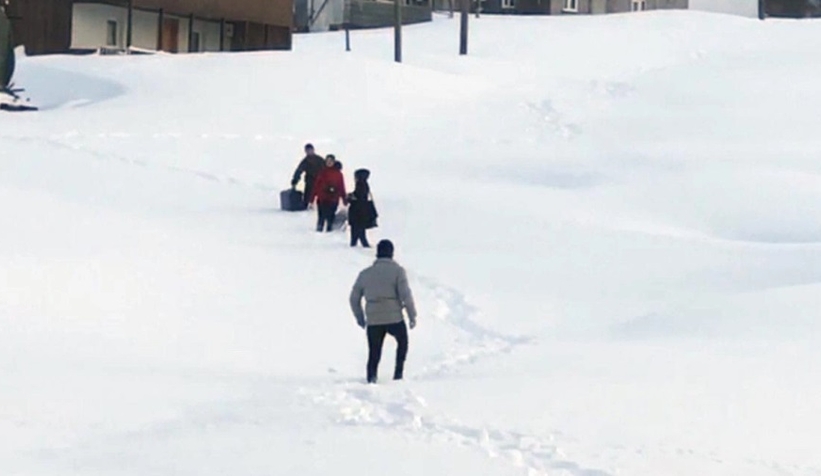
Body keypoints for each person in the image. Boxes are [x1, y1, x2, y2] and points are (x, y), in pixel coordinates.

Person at [349, 240, 417, 384]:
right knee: (402, 343)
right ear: (391, 253)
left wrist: (360, 318)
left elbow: (354, 298)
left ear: (377, 253)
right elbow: (406, 295)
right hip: (395, 318)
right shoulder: (398, 271)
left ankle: (371, 378)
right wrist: (412, 315)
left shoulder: (365, 274)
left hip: (374, 319)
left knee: (374, 351)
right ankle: (398, 375)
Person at [310, 154, 347, 232]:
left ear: (334, 162)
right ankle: (319, 230)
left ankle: (329, 231)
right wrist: (312, 198)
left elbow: (341, 186)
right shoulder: (322, 172)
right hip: (322, 198)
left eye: (330, 161)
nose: (329, 163)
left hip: (333, 199)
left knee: (331, 217)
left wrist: (344, 198)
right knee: (321, 216)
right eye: (327, 161)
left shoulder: (338, 174)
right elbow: (316, 185)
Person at [347, 168, 377, 248]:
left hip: (357, 211)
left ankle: (357, 243)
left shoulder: (360, 185)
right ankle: (361, 243)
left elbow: (358, 197)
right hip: (362, 211)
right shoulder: (364, 184)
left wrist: (350, 197)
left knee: (357, 228)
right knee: (360, 228)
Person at [291, 143, 325, 208]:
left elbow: (327, 169)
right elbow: (299, 170)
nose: (309, 152)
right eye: (307, 150)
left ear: (313, 150)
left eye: (310, 150)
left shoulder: (319, 159)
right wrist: (295, 180)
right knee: (308, 197)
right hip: (310, 181)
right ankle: (307, 206)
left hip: (321, 181)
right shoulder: (305, 161)